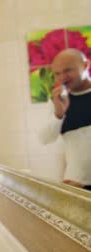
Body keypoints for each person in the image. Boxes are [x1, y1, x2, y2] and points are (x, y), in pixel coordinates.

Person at [38, 48, 91, 190]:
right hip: (76, 185)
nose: (62, 77)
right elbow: (44, 138)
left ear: (86, 66)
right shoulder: (58, 101)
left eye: (68, 70)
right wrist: (59, 114)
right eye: (57, 73)